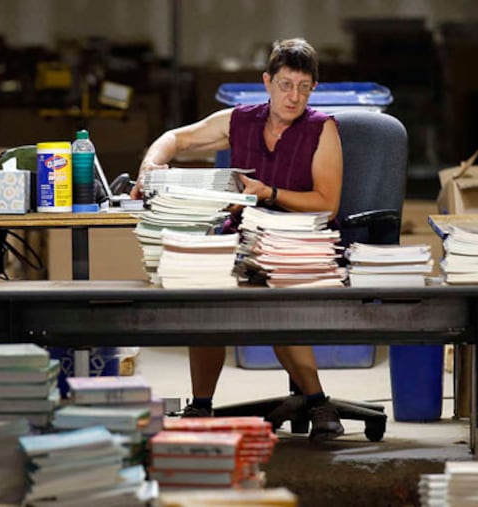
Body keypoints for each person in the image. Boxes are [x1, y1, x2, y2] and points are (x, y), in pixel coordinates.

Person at [129, 38, 345, 442]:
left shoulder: (321, 129)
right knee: (202, 285)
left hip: (297, 237)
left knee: (275, 286)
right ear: (267, 82)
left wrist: (270, 194)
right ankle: (201, 404)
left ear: (313, 88)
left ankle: (317, 400)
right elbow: (177, 139)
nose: (293, 96)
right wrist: (150, 164)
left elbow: (327, 204)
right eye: (285, 84)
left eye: (303, 87)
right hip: (243, 234)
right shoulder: (240, 120)